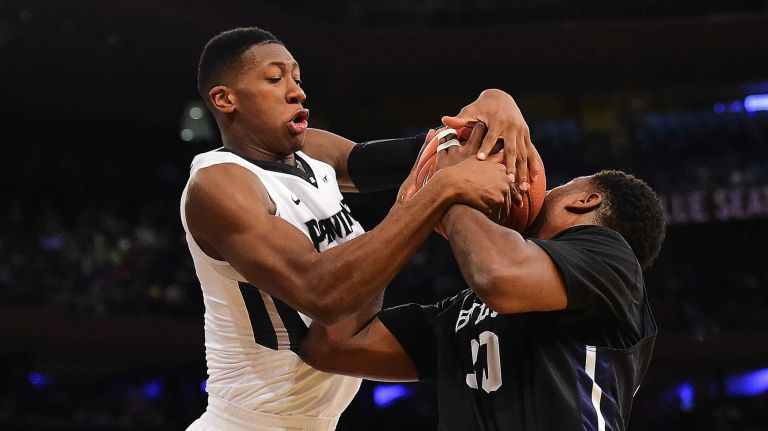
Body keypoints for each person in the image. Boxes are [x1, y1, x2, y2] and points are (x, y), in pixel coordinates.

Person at [181, 27, 537, 430]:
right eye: (275, 78)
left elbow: (426, 152)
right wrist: (435, 193)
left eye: (297, 79)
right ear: (225, 99)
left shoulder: (311, 151)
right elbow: (321, 293)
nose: (296, 92)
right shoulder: (219, 186)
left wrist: (493, 106)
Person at [300, 124, 667, 430]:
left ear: (584, 202)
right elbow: (333, 345)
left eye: (558, 186)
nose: (543, 190)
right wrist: (406, 214)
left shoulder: (613, 262)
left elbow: (498, 275)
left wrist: (449, 188)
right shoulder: (464, 310)